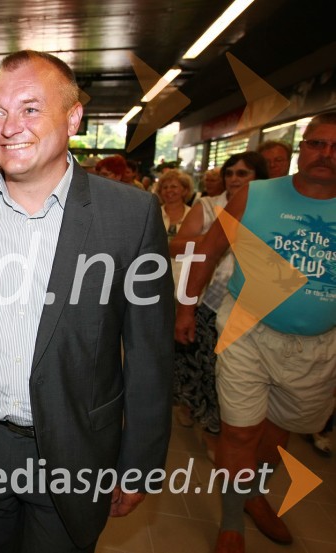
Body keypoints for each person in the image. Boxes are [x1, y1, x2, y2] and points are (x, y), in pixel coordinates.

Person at [0, 50, 174, 553]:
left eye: (30, 108)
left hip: (74, 445)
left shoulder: (130, 215)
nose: (10, 126)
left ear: (73, 116)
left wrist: (139, 463)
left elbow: (149, 354)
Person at [175, 112, 336, 553]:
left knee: (277, 434)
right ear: (304, 148)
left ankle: (252, 494)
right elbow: (207, 253)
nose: (326, 154)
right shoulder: (255, 196)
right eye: (318, 143)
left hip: (319, 348)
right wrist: (185, 309)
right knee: (240, 433)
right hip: (247, 331)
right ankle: (232, 521)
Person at [169, 152, 268, 459]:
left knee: (231, 376)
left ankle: (230, 430)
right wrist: (216, 239)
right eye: (231, 173)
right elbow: (175, 246)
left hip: (254, 306)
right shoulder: (210, 207)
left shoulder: (270, 209)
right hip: (210, 299)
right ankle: (212, 431)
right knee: (209, 371)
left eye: (244, 174)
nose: (235, 179)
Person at [158, 169, 192, 239]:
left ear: (185, 190)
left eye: (173, 186)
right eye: (165, 187)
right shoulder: (153, 214)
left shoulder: (193, 214)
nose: (168, 190)